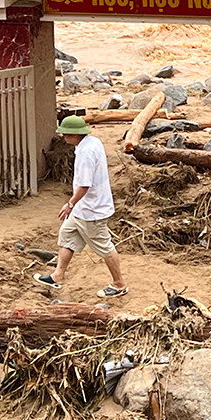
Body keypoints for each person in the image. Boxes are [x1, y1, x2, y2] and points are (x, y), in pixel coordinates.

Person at [34, 115, 127, 298]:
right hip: (83, 208)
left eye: (66, 134)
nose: (63, 137)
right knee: (67, 234)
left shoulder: (86, 154)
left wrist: (70, 203)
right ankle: (58, 275)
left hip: (92, 209)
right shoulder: (92, 142)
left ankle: (119, 284)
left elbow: (84, 185)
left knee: (104, 246)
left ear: (74, 135)